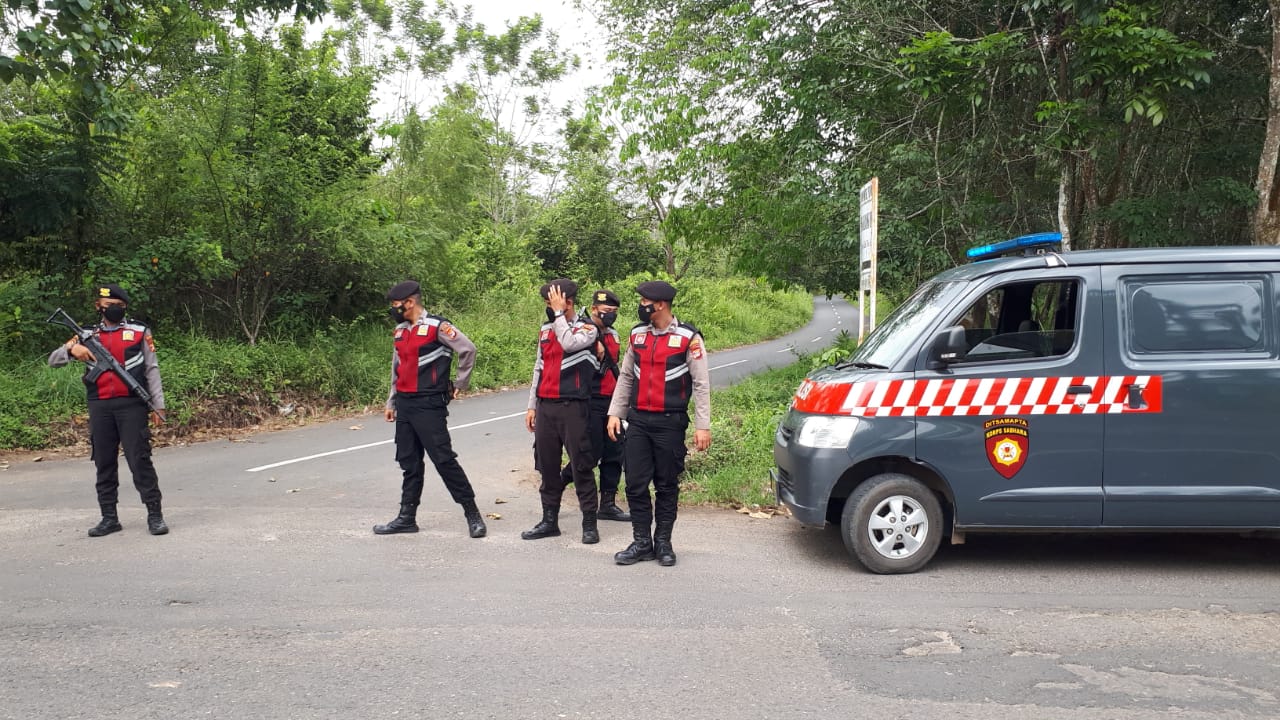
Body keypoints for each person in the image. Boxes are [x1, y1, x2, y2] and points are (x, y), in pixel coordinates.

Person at [48, 283, 169, 537]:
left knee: (139, 460)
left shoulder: (138, 331)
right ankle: (109, 517)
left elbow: (151, 368)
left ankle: (155, 515)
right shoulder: (86, 335)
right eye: (108, 306)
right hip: (100, 405)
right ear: (98, 307)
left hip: (132, 405)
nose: (114, 310)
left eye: (119, 307)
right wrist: (72, 349)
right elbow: (53, 359)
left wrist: (158, 405)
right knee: (104, 462)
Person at [607, 281, 711, 567]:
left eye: (644, 302)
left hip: (670, 423)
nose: (641, 306)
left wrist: (703, 425)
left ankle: (663, 542)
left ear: (660, 304)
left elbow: (701, 384)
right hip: (638, 420)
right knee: (635, 484)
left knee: (666, 485)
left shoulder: (689, 338)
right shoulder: (637, 336)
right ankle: (642, 543)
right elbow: (626, 376)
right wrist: (615, 413)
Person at [376, 280, 486, 539]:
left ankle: (473, 514)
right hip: (405, 403)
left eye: (396, 305)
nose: (394, 310)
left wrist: (460, 383)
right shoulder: (400, 331)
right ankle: (406, 517)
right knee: (409, 462)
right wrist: (391, 401)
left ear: (410, 303)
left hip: (429, 404)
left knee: (444, 460)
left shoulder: (437, 327)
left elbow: (468, 349)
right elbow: (397, 368)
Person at [522, 279, 602, 544]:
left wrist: (558, 315)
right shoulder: (546, 329)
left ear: (568, 302)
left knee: (581, 465)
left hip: (574, 407)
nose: (549, 308)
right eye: (547, 304)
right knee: (547, 465)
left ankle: (589, 522)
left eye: (553, 303)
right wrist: (532, 405)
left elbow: (568, 343)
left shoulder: (588, 329)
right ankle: (549, 520)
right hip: (546, 406)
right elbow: (539, 367)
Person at [557, 290, 630, 522]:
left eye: (614, 312)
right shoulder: (583, 330)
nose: (610, 316)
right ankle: (556, 485)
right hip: (590, 400)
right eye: (607, 311)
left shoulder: (614, 335)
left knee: (614, 452)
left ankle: (607, 504)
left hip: (613, 402)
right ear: (595, 308)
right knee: (590, 453)